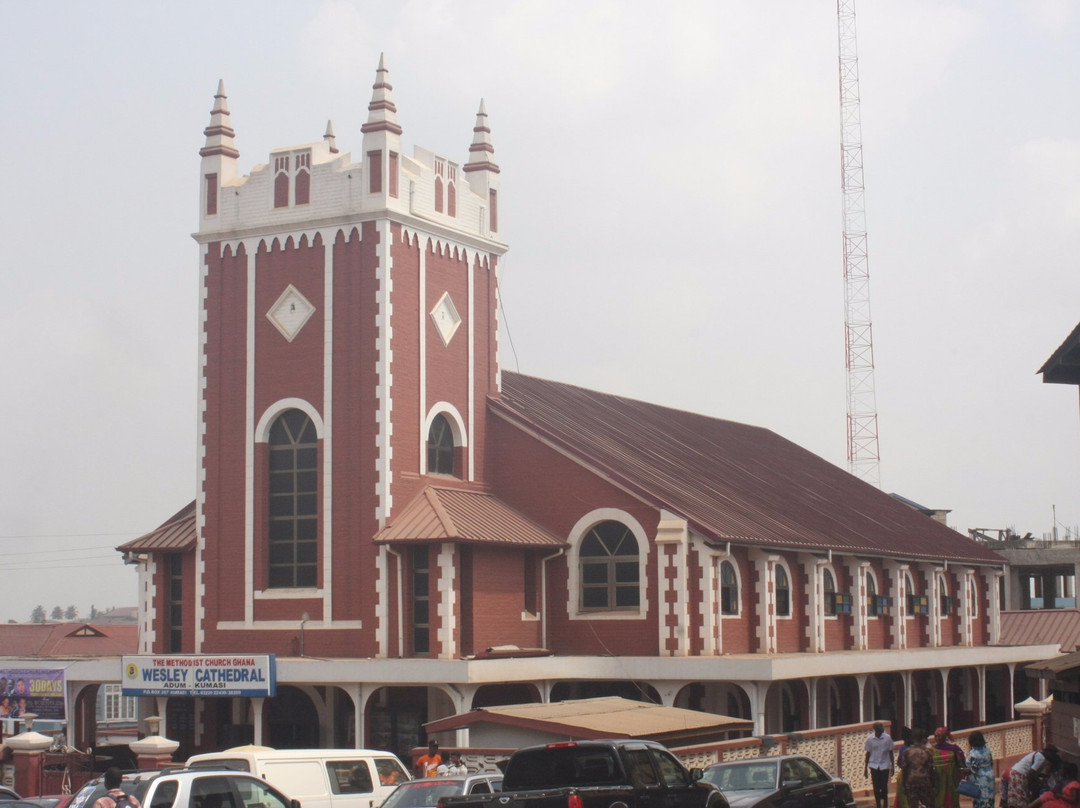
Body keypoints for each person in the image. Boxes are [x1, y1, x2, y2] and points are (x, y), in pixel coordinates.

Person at [929, 727, 964, 808]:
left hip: (951, 782)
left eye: (939, 736)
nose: (937, 738)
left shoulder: (954, 749)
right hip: (937, 783)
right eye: (936, 736)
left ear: (945, 737)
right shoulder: (931, 750)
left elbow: (961, 763)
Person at [900, 732, 936, 808]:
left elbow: (905, 769)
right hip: (924, 781)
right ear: (922, 739)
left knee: (913, 805)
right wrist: (933, 783)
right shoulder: (927, 751)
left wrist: (903, 784)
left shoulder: (907, 752)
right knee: (928, 804)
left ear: (912, 739)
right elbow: (931, 769)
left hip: (911, 781)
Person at [865, 722, 896, 808]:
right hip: (874, 765)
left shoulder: (887, 738)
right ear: (875, 730)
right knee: (876, 786)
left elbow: (891, 753)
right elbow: (868, 753)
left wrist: (892, 766)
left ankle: (885, 803)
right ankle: (878, 804)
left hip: (884, 765)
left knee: (884, 786)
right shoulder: (870, 739)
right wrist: (865, 769)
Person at [966, 731, 995, 808]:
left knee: (980, 799)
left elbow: (972, 769)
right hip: (990, 775)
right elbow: (991, 762)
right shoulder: (987, 749)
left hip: (980, 778)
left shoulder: (973, 754)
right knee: (989, 797)